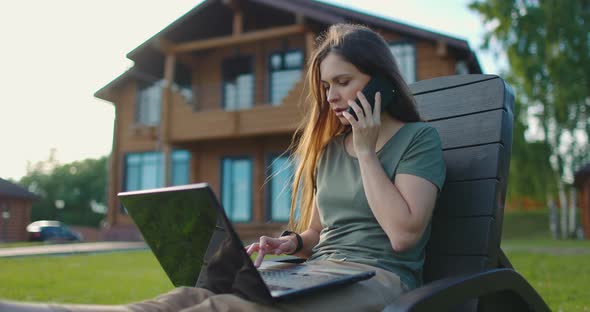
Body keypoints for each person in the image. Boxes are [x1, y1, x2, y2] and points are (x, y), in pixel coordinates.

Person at [0, 23, 445, 312]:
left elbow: (404, 236)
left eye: (343, 82)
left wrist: (367, 152)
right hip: (320, 271)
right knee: (189, 297)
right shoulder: (330, 151)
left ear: (381, 79)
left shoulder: (418, 141)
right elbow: (318, 234)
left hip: (381, 280)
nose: (330, 97)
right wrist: (289, 243)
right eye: (326, 85)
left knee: (227, 310)